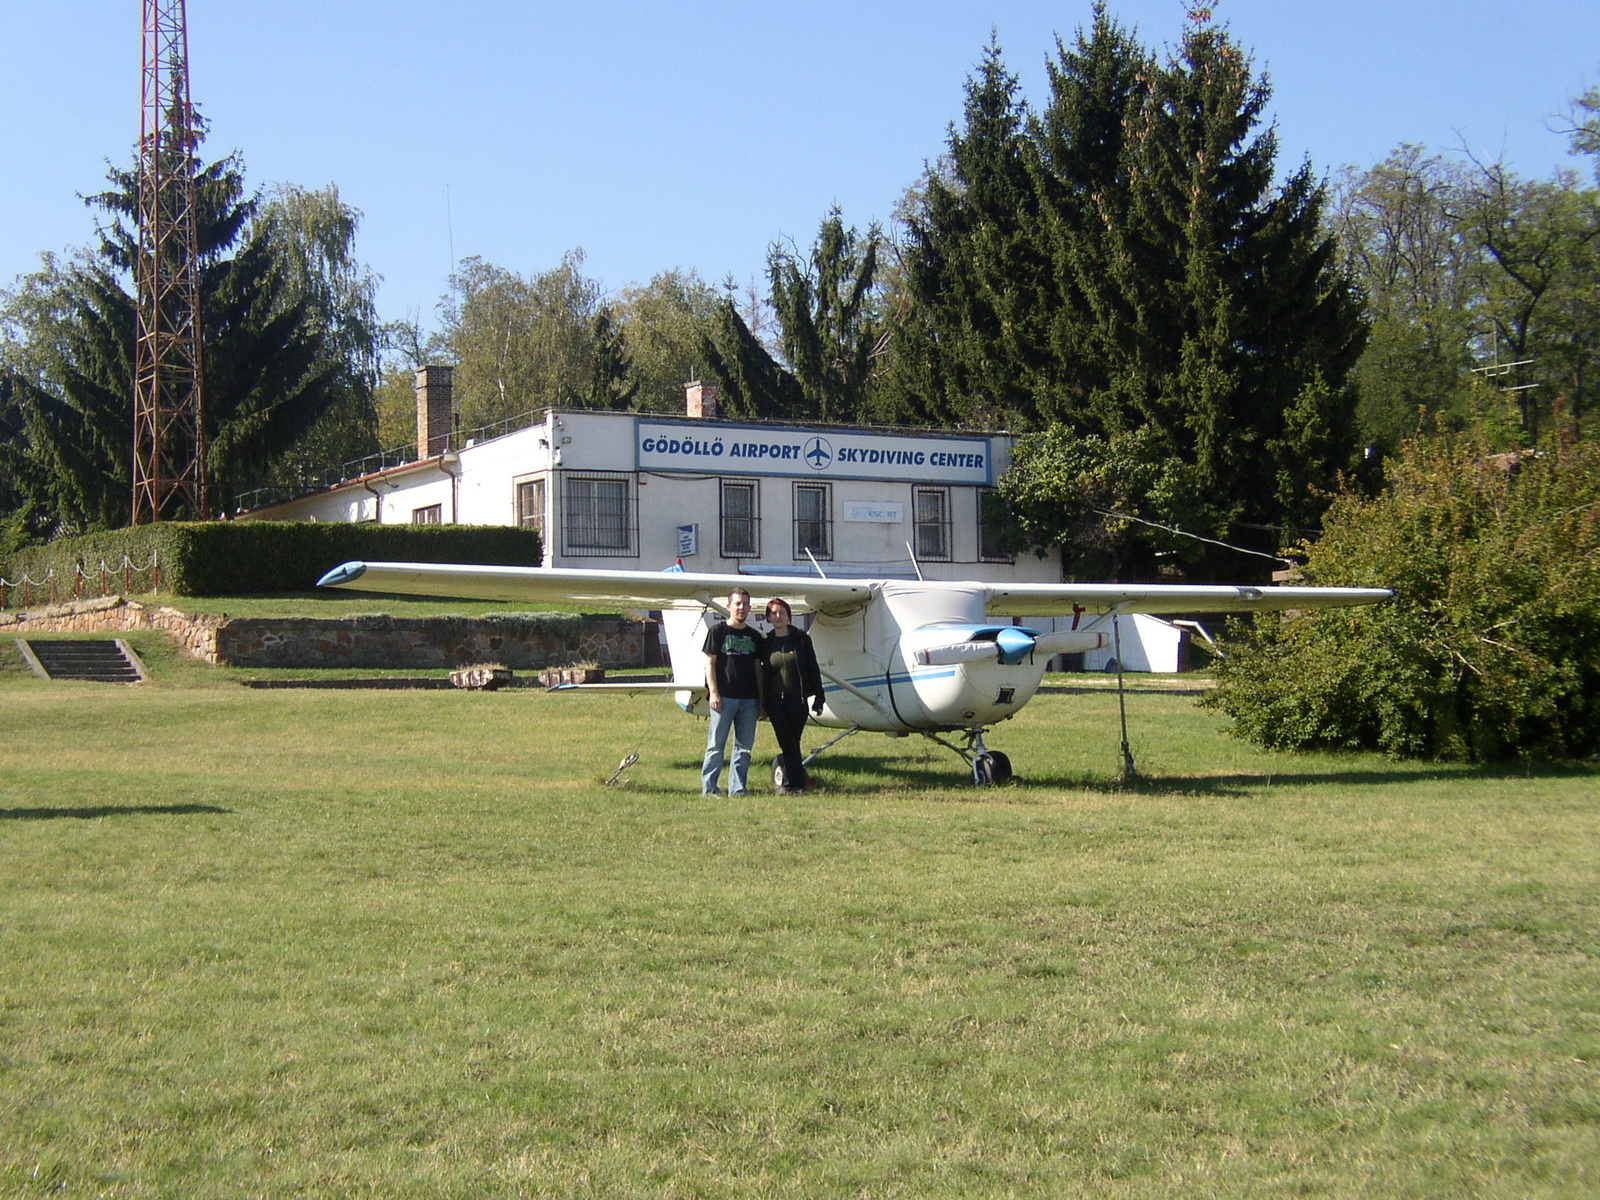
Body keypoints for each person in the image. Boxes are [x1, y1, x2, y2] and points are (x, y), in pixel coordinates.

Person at [701, 586, 765, 795]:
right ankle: (710, 789)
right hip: (724, 698)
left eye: (745, 604)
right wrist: (714, 693)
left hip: (749, 700)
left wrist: (761, 701)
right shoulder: (717, 631)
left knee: (744, 749)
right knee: (716, 746)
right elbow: (709, 664)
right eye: (737, 603)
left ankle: (738, 788)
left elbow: (758, 669)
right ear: (729, 606)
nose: (741, 607)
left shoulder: (755, 636)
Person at [760, 596, 825, 794]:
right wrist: (761, 703)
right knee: (787, 742)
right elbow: (762, 674)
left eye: (781, 612)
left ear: (789, 616)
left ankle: (795, 783)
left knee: (793, 743)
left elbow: (812, 668)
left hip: (798, 700)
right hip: (775, 702)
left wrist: (819, 698)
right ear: (768, 618)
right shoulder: (766, 643)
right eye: (773, 613)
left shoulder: (802, 640)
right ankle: (791, 784)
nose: (777, 616)